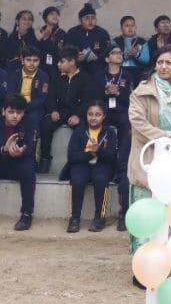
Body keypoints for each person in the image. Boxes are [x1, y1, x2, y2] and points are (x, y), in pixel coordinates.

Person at [127, 47, 171, 262]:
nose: (163, 67)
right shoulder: (142, 90)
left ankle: (166, 261)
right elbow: (139, 124)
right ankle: (144, 264)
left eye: (169, 63)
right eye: (160, 62)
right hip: (149, 161)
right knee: (147, 213)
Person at [60, 99, 118, 233]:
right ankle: (74, 218)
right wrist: (90, 154)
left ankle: (99, 218)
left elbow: (112, 156)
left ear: (103, 116)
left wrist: (99, 151)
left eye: (97, 114)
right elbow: (72, 156)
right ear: (86, 116)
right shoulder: (79, 131)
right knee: (77, 180)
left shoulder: (109, 132)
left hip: (102, 165)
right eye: (90, 114)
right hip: (82, 164)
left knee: (101, 180)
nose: (93, 118)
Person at [93, 44, 132, 227]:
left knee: (126, 125)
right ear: (107, 58)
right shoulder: (99, 75)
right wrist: (105, 91)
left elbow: (132, 98)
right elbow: (93, 99)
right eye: (114, 53)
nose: (118, 55)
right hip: (105, 113)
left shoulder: (128, 74)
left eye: (119, 53)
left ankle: (124, 215)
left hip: (122, 112)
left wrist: (119, 92)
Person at [39, 47, 93, 173]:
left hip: (77, 112)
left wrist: (79, 115)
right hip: (60, 111)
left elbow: (88, 100)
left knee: (84, 129)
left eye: (62, 61)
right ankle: (45, 158)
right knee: (45, 124)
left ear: (72, 62)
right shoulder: (56, 76)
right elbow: (50, 96)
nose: (58, 64)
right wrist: (53, 110)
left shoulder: (85, 77)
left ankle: (83, 162)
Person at [0, 95, 37, 230]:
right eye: (11, 112)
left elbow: (32, 146)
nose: (15, 116)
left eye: (19, 113)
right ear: (3, 111)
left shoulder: (29, 122)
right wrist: (4, 148)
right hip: (2, 160)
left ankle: (27, 214)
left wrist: (21, 150)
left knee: (28, 169)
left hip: (19, 163)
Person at [9, 45, 50, 133]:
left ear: (39, 61)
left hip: (34, 108)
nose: (32, 63)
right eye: (28, 60)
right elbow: (11, 94)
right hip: (15, 105)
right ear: (22, 60)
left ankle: (32, 144)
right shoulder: (15, 74)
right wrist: (18, 107)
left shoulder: (43, 76)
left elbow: (41, 98)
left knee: (33, 119)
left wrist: (25, 108)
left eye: (35, 61)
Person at [64, 4, 111, 74]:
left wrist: (93, 57)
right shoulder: (72, 32)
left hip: (97, 70)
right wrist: (76, 56)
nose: (90, 21)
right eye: (86, 18)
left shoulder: (102, 33)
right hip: (76, 69)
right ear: (80, 20)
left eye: (93, 18)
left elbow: (108, 53)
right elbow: (66, 51)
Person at [112, 15, 151, 87]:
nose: (130, 28)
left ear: (135, 27)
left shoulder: (142, 42)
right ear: (121, 28)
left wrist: (136, 54)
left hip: (138, 70)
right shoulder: (115, 41)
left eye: (132, 25)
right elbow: (112, 59)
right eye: (127, 26)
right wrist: (126, 56)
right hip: (121, 69)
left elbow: (146, 60)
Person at [35, 7, 65, 74]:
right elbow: (34, 51)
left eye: (57, 14)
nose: (55, 16)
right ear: (45, 17)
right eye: (52, 14)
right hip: (40, 67)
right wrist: (39, 40)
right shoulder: (39, 31)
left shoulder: (62, 33)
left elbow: (62, 52)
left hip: (56, 67)